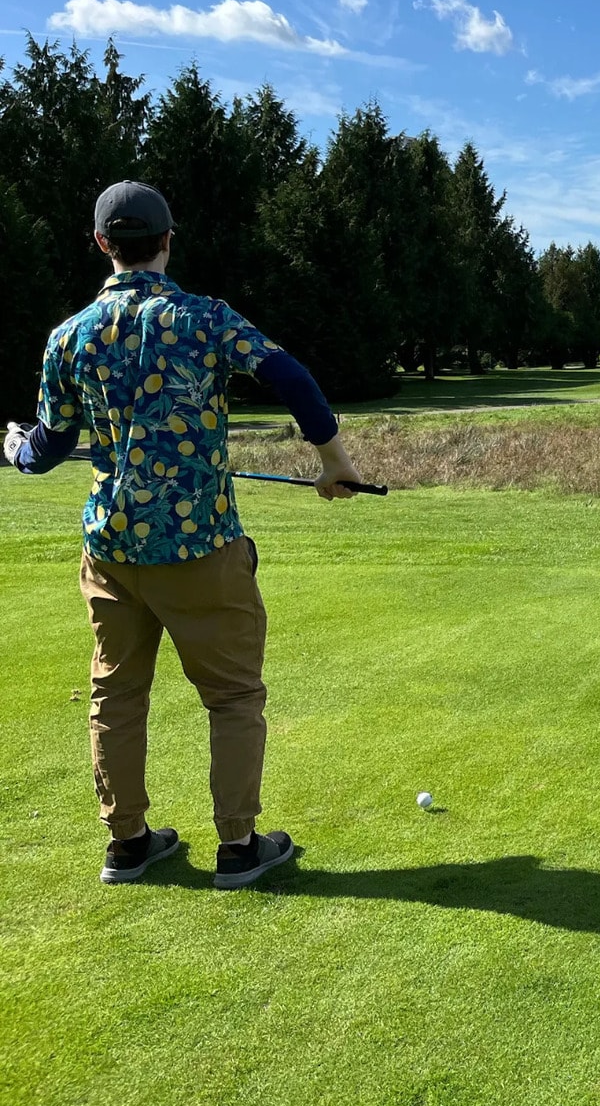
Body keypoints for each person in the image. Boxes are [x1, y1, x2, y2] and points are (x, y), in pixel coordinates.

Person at [4, 182, 365, 889]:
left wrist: (14, 448)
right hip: (201, 544)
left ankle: (129, 843)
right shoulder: (203, 319)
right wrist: (335, 466)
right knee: (231, 698)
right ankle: (237, 847)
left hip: (111, 550)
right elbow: (289, 375)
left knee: (117, 696)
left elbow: (44, 449)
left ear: (104, 244)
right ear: (167, 240)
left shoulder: (69, 335)